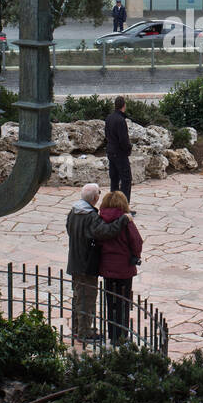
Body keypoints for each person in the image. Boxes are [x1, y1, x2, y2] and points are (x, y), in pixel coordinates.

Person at [65, 183, 129, 342]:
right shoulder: (90, 216)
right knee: (87, 299)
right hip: (87, 264)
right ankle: (84, 333)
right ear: (95, 198)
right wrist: (123, 220)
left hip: (75, 261)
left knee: (78, 296)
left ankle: (77, 328)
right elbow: (105, 232)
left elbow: (68, 229)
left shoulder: (73, 212)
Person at [95, 190, 143, 346]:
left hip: (107, 267)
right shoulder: (126, 221)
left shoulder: (100, 219)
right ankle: (121, 336)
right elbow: (137, 242)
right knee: (123, 302)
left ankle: (112, 333)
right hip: (124, 268)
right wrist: (135, 255)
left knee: (111, 302)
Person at [105, 95, 132, 202]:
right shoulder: (121, 120)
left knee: (114, 179)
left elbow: (107, 135)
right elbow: (123, 140)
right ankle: (123, 206)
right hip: (120, 153)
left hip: (111, 152)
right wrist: (128, 149)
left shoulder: (109, 118)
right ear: (124, 106)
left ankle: (113, 205)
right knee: (126, 180)